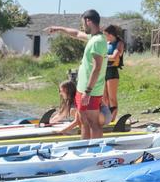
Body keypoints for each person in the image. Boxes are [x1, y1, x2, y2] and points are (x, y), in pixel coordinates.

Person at [46, 10, 108, 139]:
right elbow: (76, 33)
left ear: (88, 21)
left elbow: (97, 68)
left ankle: (96, 150)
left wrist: (88, 91)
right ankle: (85, 147)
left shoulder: (98, 41)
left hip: (90, 90)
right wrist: (58, 28)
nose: (82, 27)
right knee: (83, 122)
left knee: (93, 123)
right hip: (82, 89)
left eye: (83, 23)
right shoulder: (93, 38)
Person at [103, 25, 125, 114]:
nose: (104, 37)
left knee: (112, 97)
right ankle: (107, 116)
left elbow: (114, 57)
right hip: (103, 71)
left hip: (112, 71)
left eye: (105, 35)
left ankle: (113, 118)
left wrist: (103, 57)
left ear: (110, 34)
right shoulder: (107, 44)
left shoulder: (119, 43)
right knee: (104, 97)